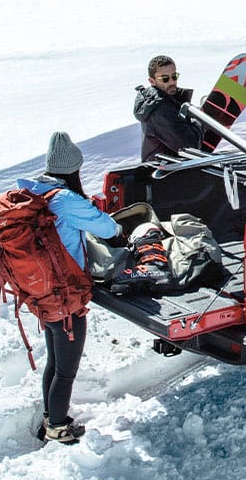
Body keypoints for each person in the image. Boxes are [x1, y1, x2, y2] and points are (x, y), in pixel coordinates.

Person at [21, 132, 118, 444]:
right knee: (66, 370)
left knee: (55, 361)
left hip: (42, 292)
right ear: (72, 169)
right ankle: (58, 427)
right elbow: (106, 228)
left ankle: (51, 416)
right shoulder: (65, 200)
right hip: (65, 296)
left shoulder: (35, 193)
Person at [133, 55, 203, 160]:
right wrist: (199, 118)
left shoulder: (164, 100)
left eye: (174, 76)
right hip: (169, 173)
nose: (171, 82)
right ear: (152, 81)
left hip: (171, 168)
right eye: (165, 78)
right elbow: (190, 147)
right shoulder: (160, 109)